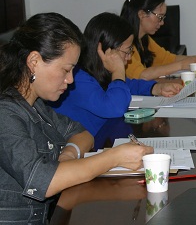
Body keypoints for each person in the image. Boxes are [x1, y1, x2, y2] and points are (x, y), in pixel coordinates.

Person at [0, 12, 153, 225]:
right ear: (34, 62)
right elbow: (43, 181)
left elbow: (81, 133)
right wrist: (111, 158)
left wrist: (68, 155)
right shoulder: (6, 114)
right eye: (66, 69)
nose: (70, 81)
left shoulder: (33, 105)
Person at [49, 12, 183, 136]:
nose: (129, 58)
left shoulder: (99, 71)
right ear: (107, 51)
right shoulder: (77, 79)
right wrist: (118, 71)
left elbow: (127, 84)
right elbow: (115, 108)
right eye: (127, 51)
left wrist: (156, 88)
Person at [121, 0, 196, 80]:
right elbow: (142, 75)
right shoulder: (123, 43)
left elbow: (169, 59)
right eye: (160, 17)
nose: (162, 23)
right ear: (142, 14)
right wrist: (181, 65)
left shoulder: (144, 39)